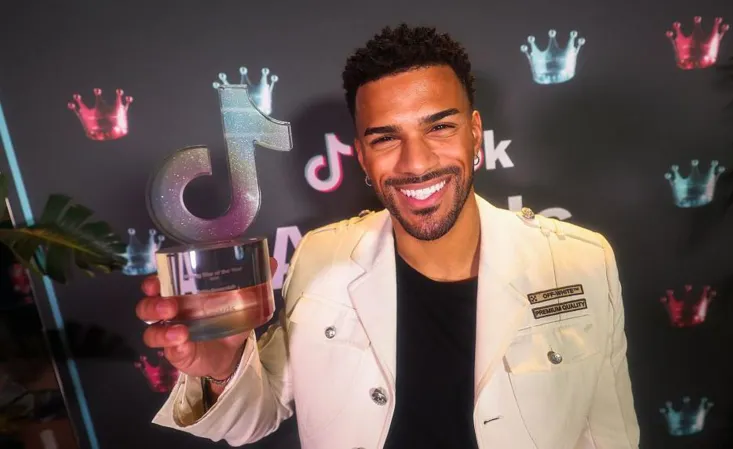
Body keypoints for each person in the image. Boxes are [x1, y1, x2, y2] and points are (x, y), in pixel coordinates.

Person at [136, 23, 640, 449]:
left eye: (439, 128)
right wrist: (222, 368)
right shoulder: (321, 256)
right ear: (361, 156)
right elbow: (255, 417)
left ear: (474, 133)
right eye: (385, 138)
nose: (416, 163)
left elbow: (610, 434)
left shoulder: (581, 262)